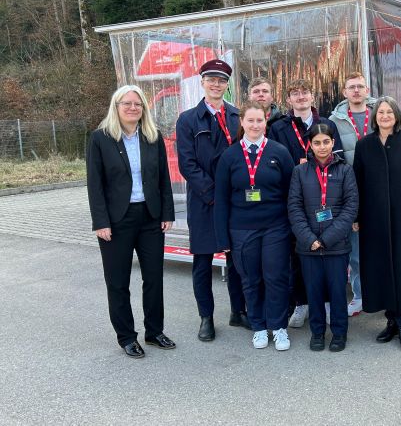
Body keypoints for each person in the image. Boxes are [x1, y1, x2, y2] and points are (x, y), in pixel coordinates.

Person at [86, 84, 175, 359]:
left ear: (143, 109)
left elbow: (163, 178)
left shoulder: (152, 137)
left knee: (153, 279)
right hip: (116, 220)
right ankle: (126, 336)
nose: (133, 108)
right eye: (127, 103)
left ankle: (154, 331)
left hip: (150, 217)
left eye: (138, 104)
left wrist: (167, 213)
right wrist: (101, 221)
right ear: (117, 107)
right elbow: (95, 185)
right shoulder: (100, 138)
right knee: (118, 281)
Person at [176, 59, 250, 342]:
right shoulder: (187, 120)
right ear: (202, 82)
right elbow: (187, 164)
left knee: (236, 261)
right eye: (211, 79)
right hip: (205, 203)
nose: (216, 84)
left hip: (232, 203)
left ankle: (238, 311)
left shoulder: (236, 116)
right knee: (203, 262)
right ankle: (206, 317)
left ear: (227, 84)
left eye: (221, 80)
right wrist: (212, 194)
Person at [214, 101, 295, 350]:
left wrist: (293, 230)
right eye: (250, 120)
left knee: (276, 277)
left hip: (275, 227)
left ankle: (279, 327)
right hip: (242, 229)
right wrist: (223, 239)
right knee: (250, 279)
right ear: (242, 122)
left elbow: (292, 193)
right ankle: (259, 326)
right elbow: (221, 199)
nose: (255, 125)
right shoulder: (229, 156)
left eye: (259, 120)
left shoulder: (279, 152)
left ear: (265, 121)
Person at [353, 96, 401, 351]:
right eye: (380, 112)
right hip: (373, 219)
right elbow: (357, 184)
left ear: (396, 116)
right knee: (380, 269)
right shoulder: (365, 145)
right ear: (375, 117)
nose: (384, 116)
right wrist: (356, 217)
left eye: (389, 112)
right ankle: (390, 321)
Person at [268, 78, 342, 328]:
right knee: (299, 254)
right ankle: (302, 304)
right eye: (295, 93)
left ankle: (330, 303)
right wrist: (298, 169)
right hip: (296, 198)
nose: (301, 97)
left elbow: (339, 161)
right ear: (288, 100)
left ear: (313, 97)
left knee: (328, 254)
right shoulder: (278, 128)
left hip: (326, 199)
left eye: (305, 92)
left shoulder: (327, 124)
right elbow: (274, 163)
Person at [288, 124, 359, 352]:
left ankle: (339, 333)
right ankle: (317, 332)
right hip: (308, 245)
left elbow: (350, 207)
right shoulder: (299, 172)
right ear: (310, 144)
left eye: (326, 142)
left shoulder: (345, 170)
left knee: (337, 291)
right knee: (314, 290)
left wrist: (327, 238)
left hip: (336, 245)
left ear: (332, 143)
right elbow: (294, 208)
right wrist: (310, 238)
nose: (322, 147)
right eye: (316, 142)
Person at [328, 71, 376, 317]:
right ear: (344, 93)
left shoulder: (380, 112)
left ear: (367, 90)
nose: (356, 91)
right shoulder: (334, 120)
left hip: (380, 190)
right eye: (351, 87)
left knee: (380, 246)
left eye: (360, 86)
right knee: (355, 249)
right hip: (351, 192)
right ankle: (358, 295)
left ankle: (382, 293)